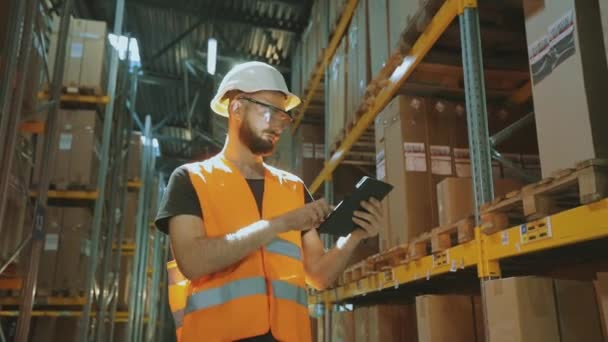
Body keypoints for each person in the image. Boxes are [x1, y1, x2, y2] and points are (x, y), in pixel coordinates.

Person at [154, 61, 384, 342]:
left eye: (284, 117)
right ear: (236, 107)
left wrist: (353, 236)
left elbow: (318, 276)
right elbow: (192, 261)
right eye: (271, 112)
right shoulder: (190, 179)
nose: (280, 124)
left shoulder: (292, 188)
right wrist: (281, 223)